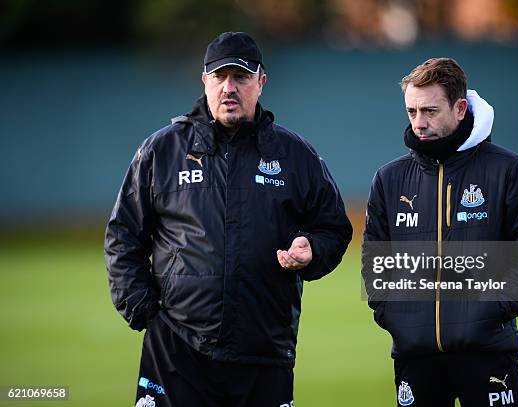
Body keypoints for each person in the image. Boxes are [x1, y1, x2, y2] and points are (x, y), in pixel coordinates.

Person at [104, 31, 352, 407]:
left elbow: (334, 227)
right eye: (219, 77)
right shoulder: (163, 150)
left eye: (241, 77)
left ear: (261, 83)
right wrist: (143, 309)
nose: (229, 88)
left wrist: (312, 250)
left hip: (264, 351)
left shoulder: (295, 155)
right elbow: (123, 235)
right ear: (204, 81)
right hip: (176, 351)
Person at [362, 58, 518, 406]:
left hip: (488, 355)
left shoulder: (510, 171)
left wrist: (491, 309)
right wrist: (394, 316)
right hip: (415, 357)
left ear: (460, 107)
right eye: (411, 111)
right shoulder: (388, 180)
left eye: (430, 111)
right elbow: (374, 264)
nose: (419, 123)